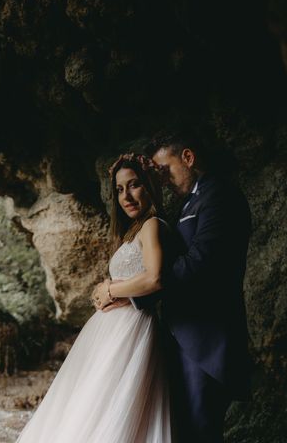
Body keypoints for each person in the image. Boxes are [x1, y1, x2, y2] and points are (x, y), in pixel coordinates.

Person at [103, 130, 252, 442]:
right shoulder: (186, 205)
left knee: (200, 431)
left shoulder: (219, 195)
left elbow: (201, 262)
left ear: (188, 157)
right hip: (179, 337)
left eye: (165, 169)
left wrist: (140, 288)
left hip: (206, 339)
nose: (164, 179)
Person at [16, 153, 173, 443]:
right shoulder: (133, 231)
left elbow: (155, 278)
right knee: (92, 405)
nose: (126, 195)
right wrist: (103, 290)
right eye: (119, 189)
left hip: (131, 330)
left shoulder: (152, 225)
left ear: (150, 184)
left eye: (134, 184)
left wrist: (111, 290)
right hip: (112, 330)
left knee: (109, 407)